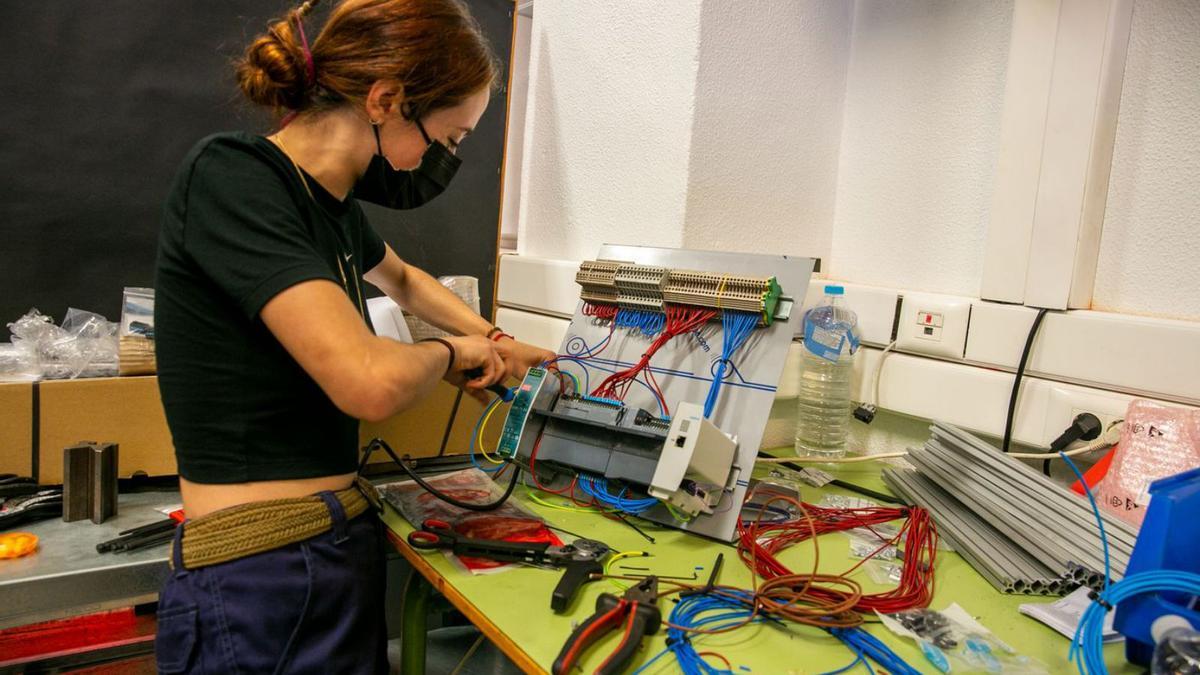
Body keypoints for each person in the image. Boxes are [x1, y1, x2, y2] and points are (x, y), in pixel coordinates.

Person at [152, 0, 553, 671]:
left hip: (327, 552)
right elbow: (368, 382)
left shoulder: (328, 206)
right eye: (449, 138)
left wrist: (497, 338)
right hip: (262, 574)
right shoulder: (235, 178)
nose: (446, 158)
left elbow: (405, 280)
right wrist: (454, 352)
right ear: (387, 99)